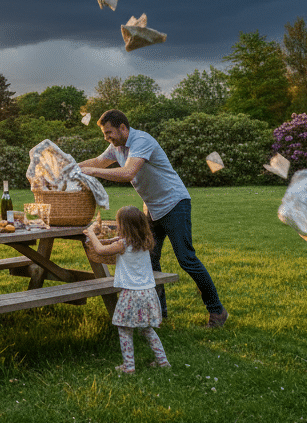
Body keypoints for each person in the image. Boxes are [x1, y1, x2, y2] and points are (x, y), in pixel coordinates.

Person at [79, 109, 228, 327]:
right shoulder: (116, 147)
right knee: (149, 259)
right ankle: (158, 312)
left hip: (174, 204)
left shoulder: (141, 140)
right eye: (104, 134)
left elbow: (128, 173)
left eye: (109, 132)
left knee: (186, 258)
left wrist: (91, 172)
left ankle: (217, 311)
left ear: (123, 127)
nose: (107, 138)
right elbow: (99, 161)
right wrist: (70, 168)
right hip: (151, 210)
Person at [85, 206, 170, 374]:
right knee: (146, 329)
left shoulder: (123, 244)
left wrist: (91, 234)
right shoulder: (145, 241)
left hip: (132, 294)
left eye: (118, 224)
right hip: (148, 292)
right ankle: (163, 361)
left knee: (124, 330)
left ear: (124, 226)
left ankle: (129, 367)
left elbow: (101, 251)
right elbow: (114, 242)